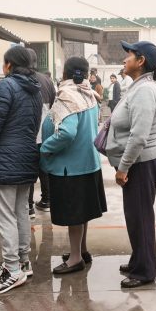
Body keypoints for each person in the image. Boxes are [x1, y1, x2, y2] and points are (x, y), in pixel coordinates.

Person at [0, 46, 42, 294]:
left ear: (9, 65)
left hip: (6, 158)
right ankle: (23, 261)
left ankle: (12, 269)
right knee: (20, 213)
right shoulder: (35, 89)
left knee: (5, 215)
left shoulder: (6, 86)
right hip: (27, 155)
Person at [41, 57, 107, 275]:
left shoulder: (67, 96)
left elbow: (67, 133)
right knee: (83, 213)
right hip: (88, 163)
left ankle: (75, 258)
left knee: (74, 215)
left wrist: (45, 148)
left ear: (64, 74)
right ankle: (82, 250)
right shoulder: (89, 94)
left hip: (71, 167)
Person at [106, 41, 156, 288]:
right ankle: (138, 260)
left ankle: (144, 271)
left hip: (139, 165)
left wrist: (123, 167)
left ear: (141, 61)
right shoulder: (139, 87)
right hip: (139, 164)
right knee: (136, 217)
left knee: (140, 219)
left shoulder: (143, 91)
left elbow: (139, 136)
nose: (124, 60)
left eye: (128, 55)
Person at [26, 49, 56, 216]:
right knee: (44, 169)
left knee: (29, 170)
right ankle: (47, 200)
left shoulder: (19, 80)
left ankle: (29, 206)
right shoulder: (47, 80)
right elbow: (53, 105)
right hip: (45, 134)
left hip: (28, 134)